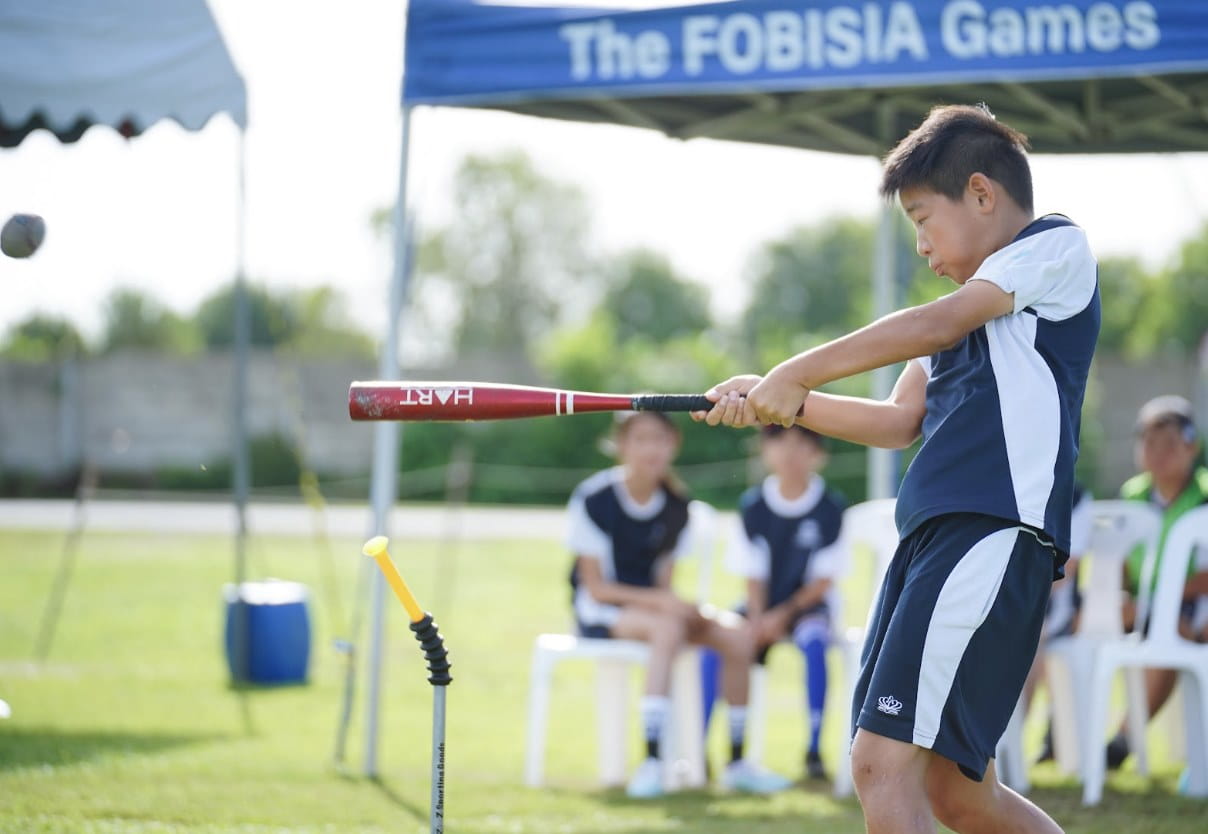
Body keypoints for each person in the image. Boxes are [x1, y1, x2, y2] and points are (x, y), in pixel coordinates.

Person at [696, 103, 1098, 834]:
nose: (919, 244)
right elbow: (895, 423)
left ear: (981, 194)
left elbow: (936, 323)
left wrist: (797, 369)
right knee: (958, 795)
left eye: (922, 217)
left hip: (988, 533)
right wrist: (776, 399)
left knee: (879, 763)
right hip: (934, 544)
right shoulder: (962, 312)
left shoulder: (1053, 248)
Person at [565, 410, 788, 798]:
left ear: (674, 445)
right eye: (640, 439)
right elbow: (597, 588)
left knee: (738, 636)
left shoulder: (676, 506)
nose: (651, 448)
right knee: (668, 627)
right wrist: (666, 605)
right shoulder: (595, 498)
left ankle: (736, 762)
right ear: (621, 446)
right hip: (602, 610)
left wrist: (681, 608)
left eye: (660, 439)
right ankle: (652, 761)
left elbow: (664, 584)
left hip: (652, 609)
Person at [700, 424, 846, 782]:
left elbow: (823, 581)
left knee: (814, 644)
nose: (789, 453)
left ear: (818, 454)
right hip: (759, 607)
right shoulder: (754, 506)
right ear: (764, 451)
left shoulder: (830, 508)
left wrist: (782, 615)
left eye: (801, 443)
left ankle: (813, 750)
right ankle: (702, 747)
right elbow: (752, 573)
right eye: (779, 442)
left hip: (806, 609)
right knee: (716, 641)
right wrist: (758, 619)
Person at [1104, 394, 1208, 769]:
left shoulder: (1204, 496)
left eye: (1168, 443)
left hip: (1191, 606)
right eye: (1148, 442)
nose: (1157, 452)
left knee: (1173, 627)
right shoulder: (1131, 497)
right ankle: (1061, 733)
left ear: (1191, 446)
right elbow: (1114, 562)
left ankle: (1122, 739)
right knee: (1082, 624)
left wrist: (1160, 599)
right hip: (1142, 605)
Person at [1028, 483, 1092, 764]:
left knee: (1025, 634)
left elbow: (1065, 572)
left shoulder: (1075, 499)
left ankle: (999, 750)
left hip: (1051, 613)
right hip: (1010, 603)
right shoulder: (998, 484)